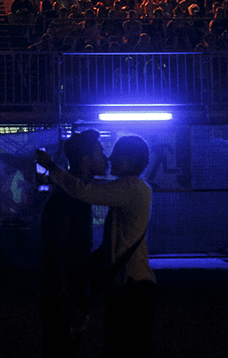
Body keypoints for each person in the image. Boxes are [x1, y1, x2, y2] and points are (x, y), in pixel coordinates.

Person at [38, 135, 155, 358]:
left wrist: (51, 167)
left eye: (115, 154)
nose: (109, 158)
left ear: (129, 160)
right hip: (130, 285)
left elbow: (84, 190)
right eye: (102, 152)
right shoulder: (132, 188)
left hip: (130, 286)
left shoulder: (131, 188)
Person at [39, 130, 102, 358]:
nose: (106, 158)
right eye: (100, 152)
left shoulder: (71, 196)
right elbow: (54, 252)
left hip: (66, 295)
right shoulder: (68, 199)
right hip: (65, 298)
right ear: (86, 159)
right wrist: (66, 297)